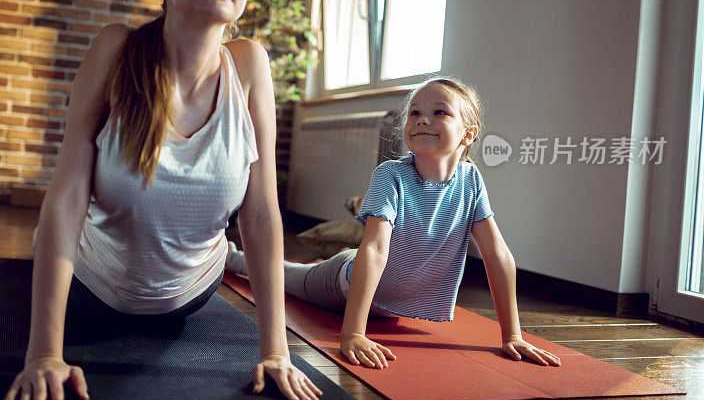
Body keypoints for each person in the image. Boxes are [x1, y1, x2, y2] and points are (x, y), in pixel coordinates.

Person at [3, 0, 322, 400]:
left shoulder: (249, 64)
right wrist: (44, 352)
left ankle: (327, 274)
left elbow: (259, 212)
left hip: (189, 296)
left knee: (250, 256)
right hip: (94, 290)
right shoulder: (117, 48)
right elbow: (65, 196)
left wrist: (277, 353)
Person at [227, 76, 562, 370]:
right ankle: (230, 257)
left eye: (439, 112)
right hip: (343, 284)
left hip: (387, 302)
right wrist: (353, 334)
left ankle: (326, 259)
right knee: (286, 276)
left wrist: (512, 335)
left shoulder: (471, 180)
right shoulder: (391, 175)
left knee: (324, 262)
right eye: (415, 112)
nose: (422, 120)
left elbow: (497, 255)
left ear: (467, 134)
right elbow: (373, 248)